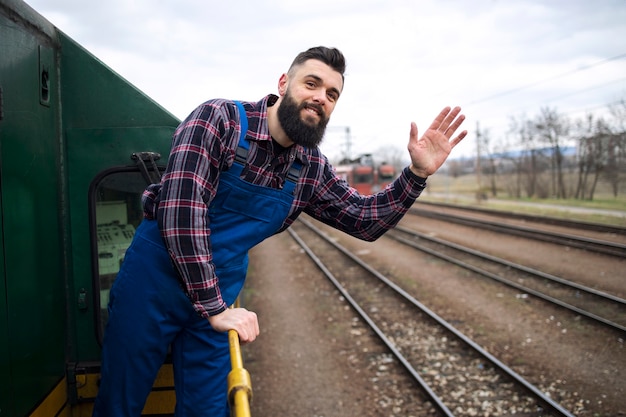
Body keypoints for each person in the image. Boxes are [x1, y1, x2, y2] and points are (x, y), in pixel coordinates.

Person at [93, 46, 467, 417]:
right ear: (284, 83)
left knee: (207, 411)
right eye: (312, 83)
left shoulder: (309, 168)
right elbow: (181, 213)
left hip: (216, 302)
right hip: (152, 288)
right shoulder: (218, 120)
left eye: (332, 94)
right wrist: (214, 306)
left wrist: (416, 175)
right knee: (119, 404)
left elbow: (364, 220)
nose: (321, 97)